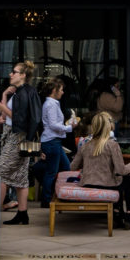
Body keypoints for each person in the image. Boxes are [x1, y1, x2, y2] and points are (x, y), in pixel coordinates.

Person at [70, 112, 130, 230]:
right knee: (128, 180)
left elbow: (72, 167)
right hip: (107, 184)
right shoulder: (112, 145)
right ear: (108, 127)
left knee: (118, 180)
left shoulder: (85, 146)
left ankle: (117, 213)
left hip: (88, 183)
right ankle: (129, 215)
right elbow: (121, 170)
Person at [0, 60, 42, 225]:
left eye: (14, 72)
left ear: (23, 75)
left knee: (0, 174)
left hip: (17, 137)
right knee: (21, 176)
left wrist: (3, 108)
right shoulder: (24, 91)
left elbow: (20, 119)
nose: (10, 74)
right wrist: (5, 95)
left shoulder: (23, 93)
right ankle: (22, 214)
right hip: (21, 137)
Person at [40, 78, 76, 208]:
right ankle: (47, 200)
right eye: (61, 89)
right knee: (52, 171)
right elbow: (53, 125)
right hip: (52, 141)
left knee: (66, 167)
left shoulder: (52, 103)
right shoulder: (51, 104)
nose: (62, 92)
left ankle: (59, 196)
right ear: (54, 90)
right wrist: (69, 128)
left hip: (54, 141)